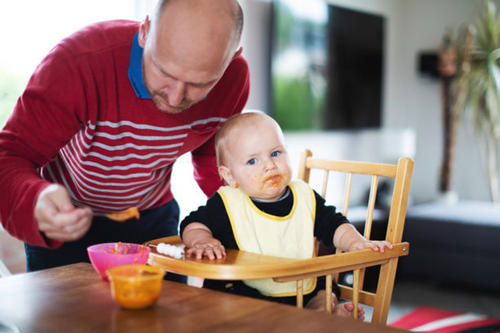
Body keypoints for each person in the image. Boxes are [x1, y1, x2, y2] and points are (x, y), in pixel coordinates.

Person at [0, 0, 249, 274]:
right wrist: (36, 199)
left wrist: (249, 211)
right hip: (64, 222)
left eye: (200, 84)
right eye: (164, 72)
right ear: (145, 31)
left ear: (232, 58)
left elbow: (211, 157)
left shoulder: (234, 79)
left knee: (168, 314)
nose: (175, 98)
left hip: (153, 218)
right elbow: (11, 155)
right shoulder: (78, 63)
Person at [180, 112, 392, 317]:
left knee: (324, 282)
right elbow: (192, 224)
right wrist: (202, 241)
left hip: (301, 287)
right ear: (229, 175)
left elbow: (334, 224)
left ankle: (319, 305)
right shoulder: (227, 203)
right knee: (225, 292)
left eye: (275, 153)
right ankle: (309, 316)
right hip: (249, 292)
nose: (270, 165)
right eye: (253, 161)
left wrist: (356, 242)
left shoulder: (304, 195)